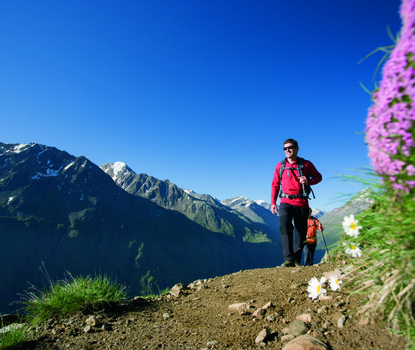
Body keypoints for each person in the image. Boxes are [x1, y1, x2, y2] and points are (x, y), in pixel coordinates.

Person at [270, 139, 322, 267]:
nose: (287, 150)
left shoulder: (306, 164)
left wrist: (308, 180)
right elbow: (275, 185)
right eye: (285, 148)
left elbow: (318, 177)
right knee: (285, 225)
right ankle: (288, 259)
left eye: (290, 147)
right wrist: (273, 202)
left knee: (300, 232)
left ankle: (297, 260)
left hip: (302, 203)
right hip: (285, 202)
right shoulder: (280, 166)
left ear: (297, 148)